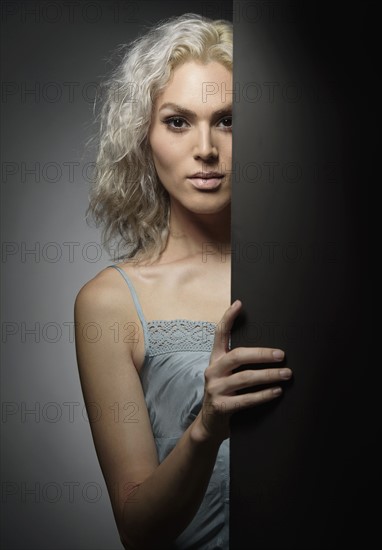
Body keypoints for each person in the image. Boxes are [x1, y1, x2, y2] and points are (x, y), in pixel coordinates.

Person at [74, 13, 292, 549]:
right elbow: (139, 530)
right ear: (143, 137)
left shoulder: (315, 276)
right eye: (177, 121)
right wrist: (204, 428)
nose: (206, 149)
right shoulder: (108, 303)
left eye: (228, 119)